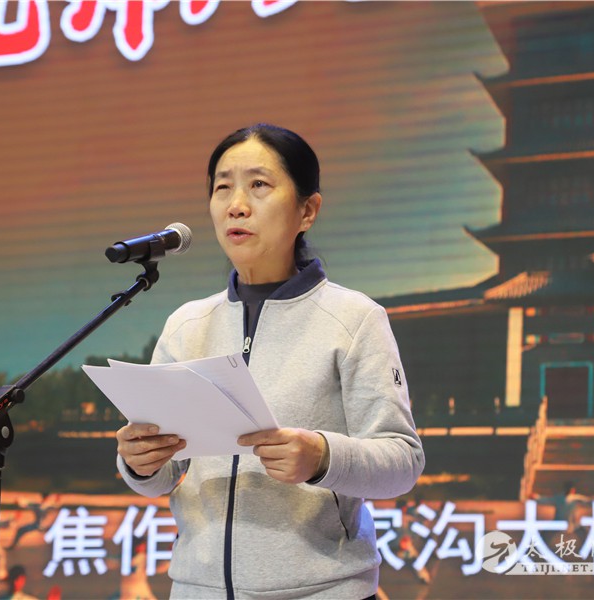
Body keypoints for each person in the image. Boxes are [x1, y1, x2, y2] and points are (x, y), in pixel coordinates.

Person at [115, 124, 424, 599]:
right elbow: (164, 476)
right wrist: (139, 463)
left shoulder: (354, 319)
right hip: (196, 589)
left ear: (307, 210)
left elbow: (402, 461)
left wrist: (322, 456)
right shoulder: (186, 325)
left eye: (258, 184)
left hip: (322, 589)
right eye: (222, 188)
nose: (236, 205)